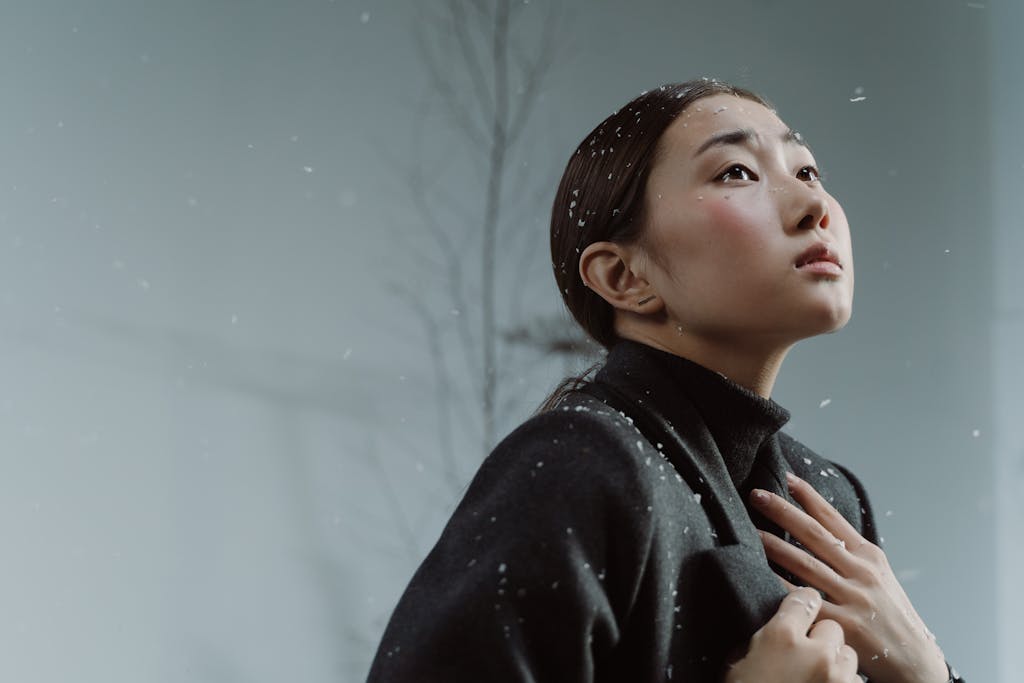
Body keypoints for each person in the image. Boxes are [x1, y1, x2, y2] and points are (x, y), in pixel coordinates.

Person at [366, 79, 963, 682]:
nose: (814, 206)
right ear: (624, 276)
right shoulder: (581, 465)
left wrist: (926, 670)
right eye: (736, 172)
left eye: (807, 171)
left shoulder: (827, 499)